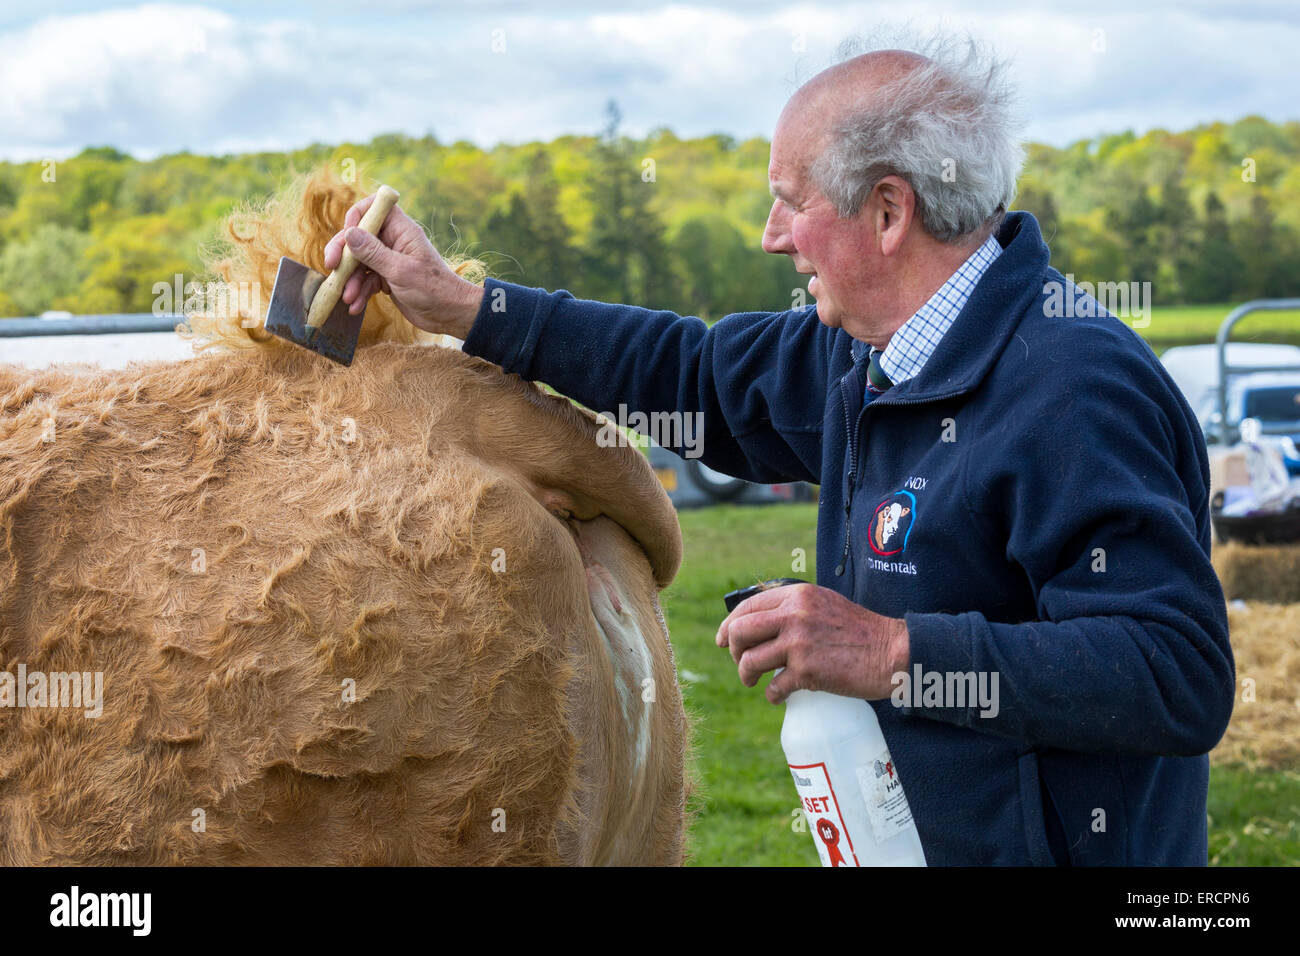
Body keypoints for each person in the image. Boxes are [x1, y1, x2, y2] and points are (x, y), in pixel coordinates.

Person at [322, 35, 1234, 866]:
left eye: (791, 203)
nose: (770, 235)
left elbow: (1176, 673)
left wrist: (889, 650)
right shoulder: (869, 350)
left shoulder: (1074, 391)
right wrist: (470, 309)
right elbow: (692, 374)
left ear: (888, 213)